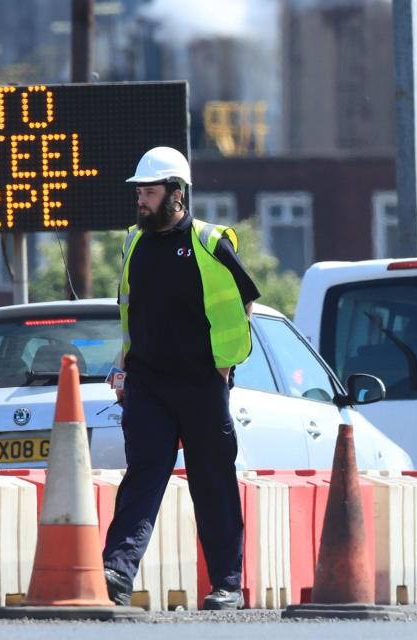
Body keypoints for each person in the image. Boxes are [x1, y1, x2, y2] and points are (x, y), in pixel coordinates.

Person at [102, 146, 260, 611]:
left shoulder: (210, 242)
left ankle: (227, 583)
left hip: (201, 385)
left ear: (177, 194)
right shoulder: (133, 243)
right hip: (148, 384)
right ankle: (117, 571)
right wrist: (124, 365)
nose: (141, 201)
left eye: (149, 192)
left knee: (212, 482)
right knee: (143, 476)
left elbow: (244, 300)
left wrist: (225, 366)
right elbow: (128, 310)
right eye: (139, 193)